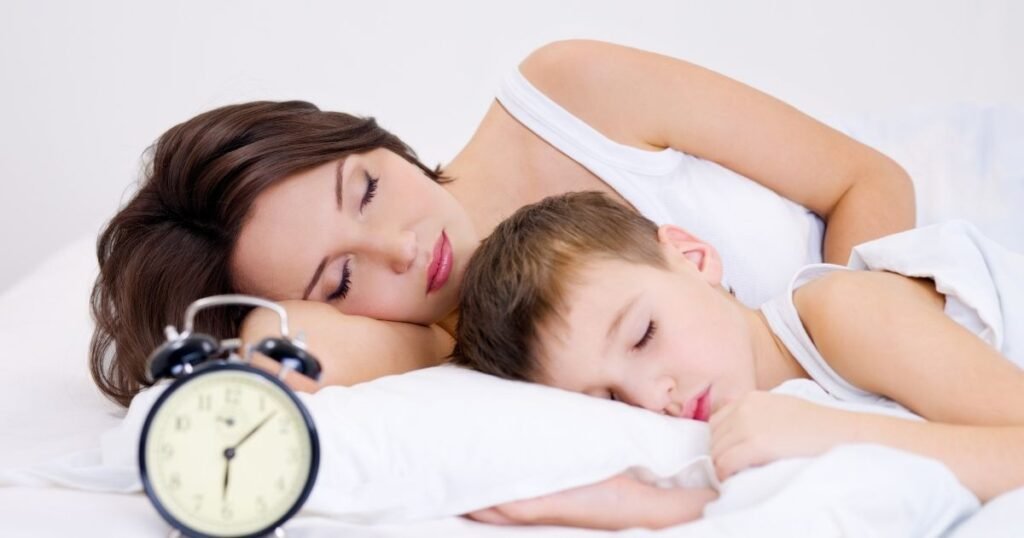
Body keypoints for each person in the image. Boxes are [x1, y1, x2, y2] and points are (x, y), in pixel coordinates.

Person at [90, 39, 914, 408]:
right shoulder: (451, 350)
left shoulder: (573, 95)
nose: (403, 248)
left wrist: (880, 371)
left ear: (371, 141)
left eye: (366, 190)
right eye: (341, 278)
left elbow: (869, 180)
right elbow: (290, 355)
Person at [452, 191, 1024, 529]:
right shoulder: (747, 421)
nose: (651, 397)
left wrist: (828, 432)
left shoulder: (846, 311)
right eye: (609, 399)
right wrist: (626, 505)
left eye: (643, 335)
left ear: (692, 257)